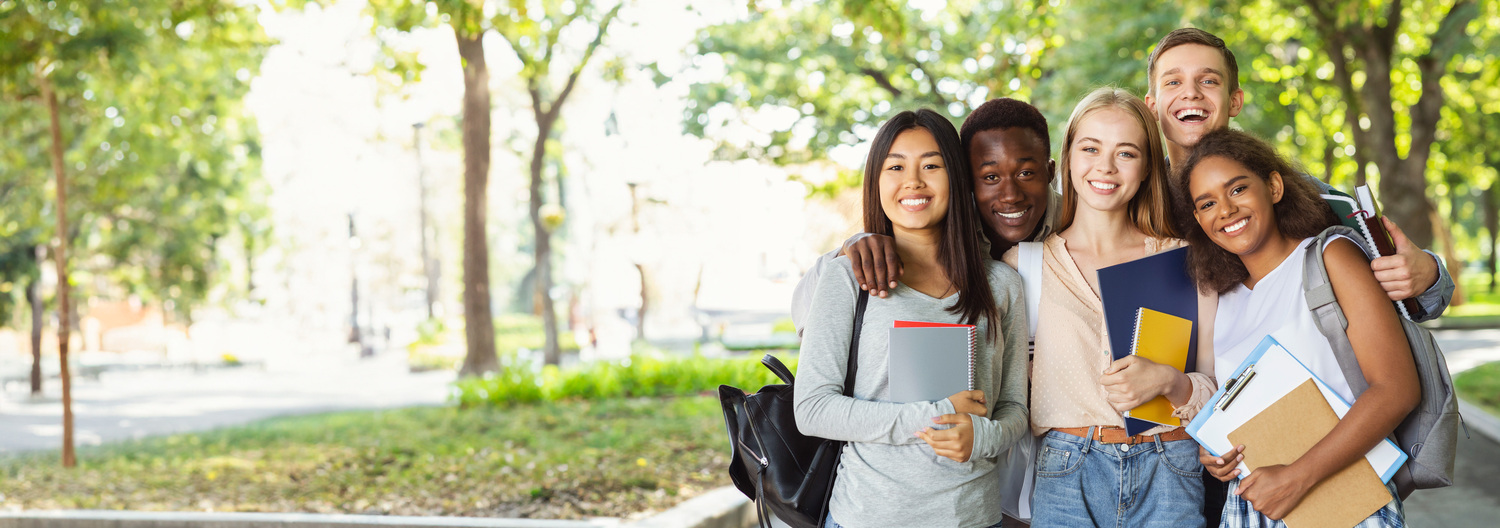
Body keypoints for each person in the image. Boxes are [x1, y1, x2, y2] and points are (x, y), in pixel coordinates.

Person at [792, 108, 1030, 528]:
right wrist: (934, 414)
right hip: (868, 515)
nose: (913, 181)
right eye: (896, 166)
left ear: (955, 178)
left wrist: (982, 436)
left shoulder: (1001, 284)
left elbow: (1013, 407)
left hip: (973, 516)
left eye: (932, 165)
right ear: (876, 180)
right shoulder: (848, 275)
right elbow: (812, 409)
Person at [1177, 128, 1416, 527]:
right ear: (1199, 218)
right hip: (1252, 507)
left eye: (1237, 190)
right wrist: (1218, 453)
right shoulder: (1224, 297)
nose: (1225, 210)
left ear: (1273, 186)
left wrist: (1296, 477)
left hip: (1343, 502)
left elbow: (1397, 390)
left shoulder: (1330, 256)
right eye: (1206, 203)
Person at [1003, 87, 1216, 528]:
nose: (1105, 166)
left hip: (1170, 468)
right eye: (1090, 148)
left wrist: (1169, 382)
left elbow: (1220, 387)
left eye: (1126, 153)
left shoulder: (1185, 260)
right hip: (1066, 471)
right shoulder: (1025, 266)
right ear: (1067, 158)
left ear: (1146, 168)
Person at [1142, 27, 1453, 321]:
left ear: (1234, 101)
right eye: (1173, 82)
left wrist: (1428, 275)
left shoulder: (1299, 193)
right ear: (1152, 107)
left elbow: (1405, 298)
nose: (1191, 93)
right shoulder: (1135, 201)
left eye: (1208, 81)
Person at [791, 98, 1058, 335]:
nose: (1010, 195)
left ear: (1050, 172)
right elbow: (807, 314)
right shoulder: (936, 229)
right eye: (990, 177)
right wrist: (849, 251)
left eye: (1025, 173)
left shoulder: (1077, 224)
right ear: (965, 180)